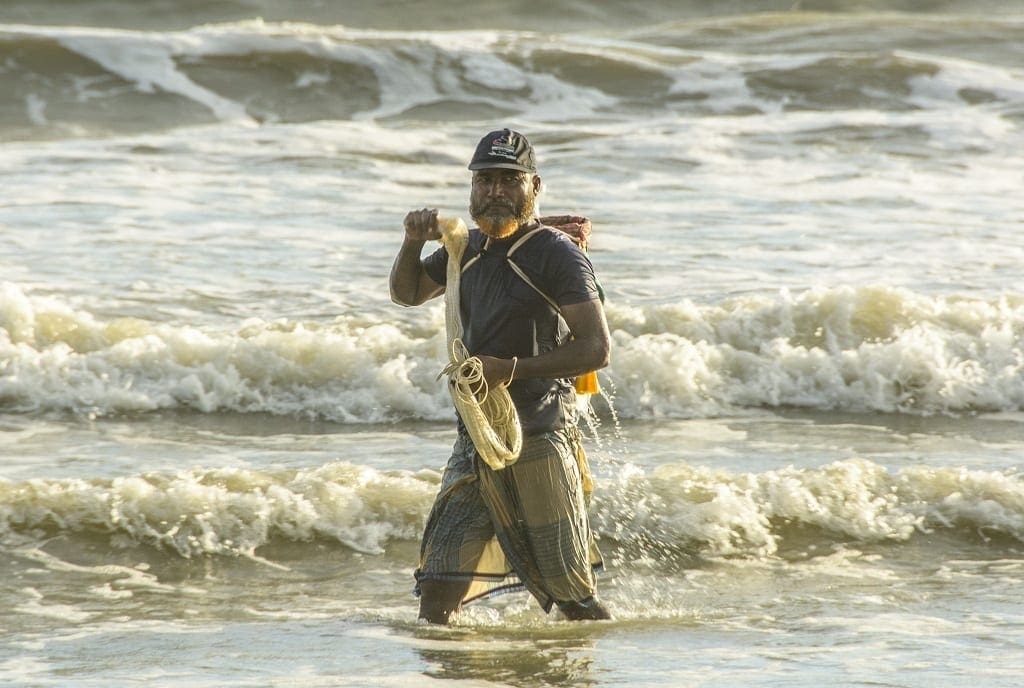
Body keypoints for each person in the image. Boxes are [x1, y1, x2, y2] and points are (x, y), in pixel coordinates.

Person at [390, 128, 612, 624]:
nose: (495, 192)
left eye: (509, 181)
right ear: (471, 188)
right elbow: (406, 294)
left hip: (539, 435)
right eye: (485, 180)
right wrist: (410, 241)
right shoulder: (463, 248)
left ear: (534, 188)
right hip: (476, 440)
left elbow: (596, 349)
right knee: (437, 592)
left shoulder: (555, 252)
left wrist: (507, 370)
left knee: (572, 595)